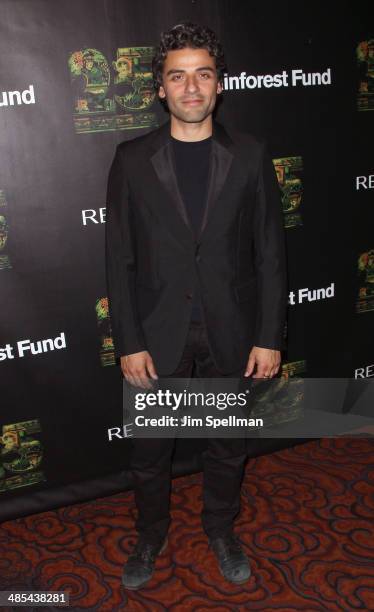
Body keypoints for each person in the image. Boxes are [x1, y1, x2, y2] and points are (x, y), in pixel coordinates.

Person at [105, 22, 287, 590]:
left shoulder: (252, 155)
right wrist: (129, 340)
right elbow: (119, 259)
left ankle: (220, 529)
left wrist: (269, 334)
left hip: (230, 332)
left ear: (218, 84)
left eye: (202, 75)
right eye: (177, 76)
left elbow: (270, 253)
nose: (190, 88)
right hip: (157, 337)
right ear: (160, 88)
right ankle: (150, 535)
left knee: (227, 447)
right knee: (150, 455)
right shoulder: (131, 159)